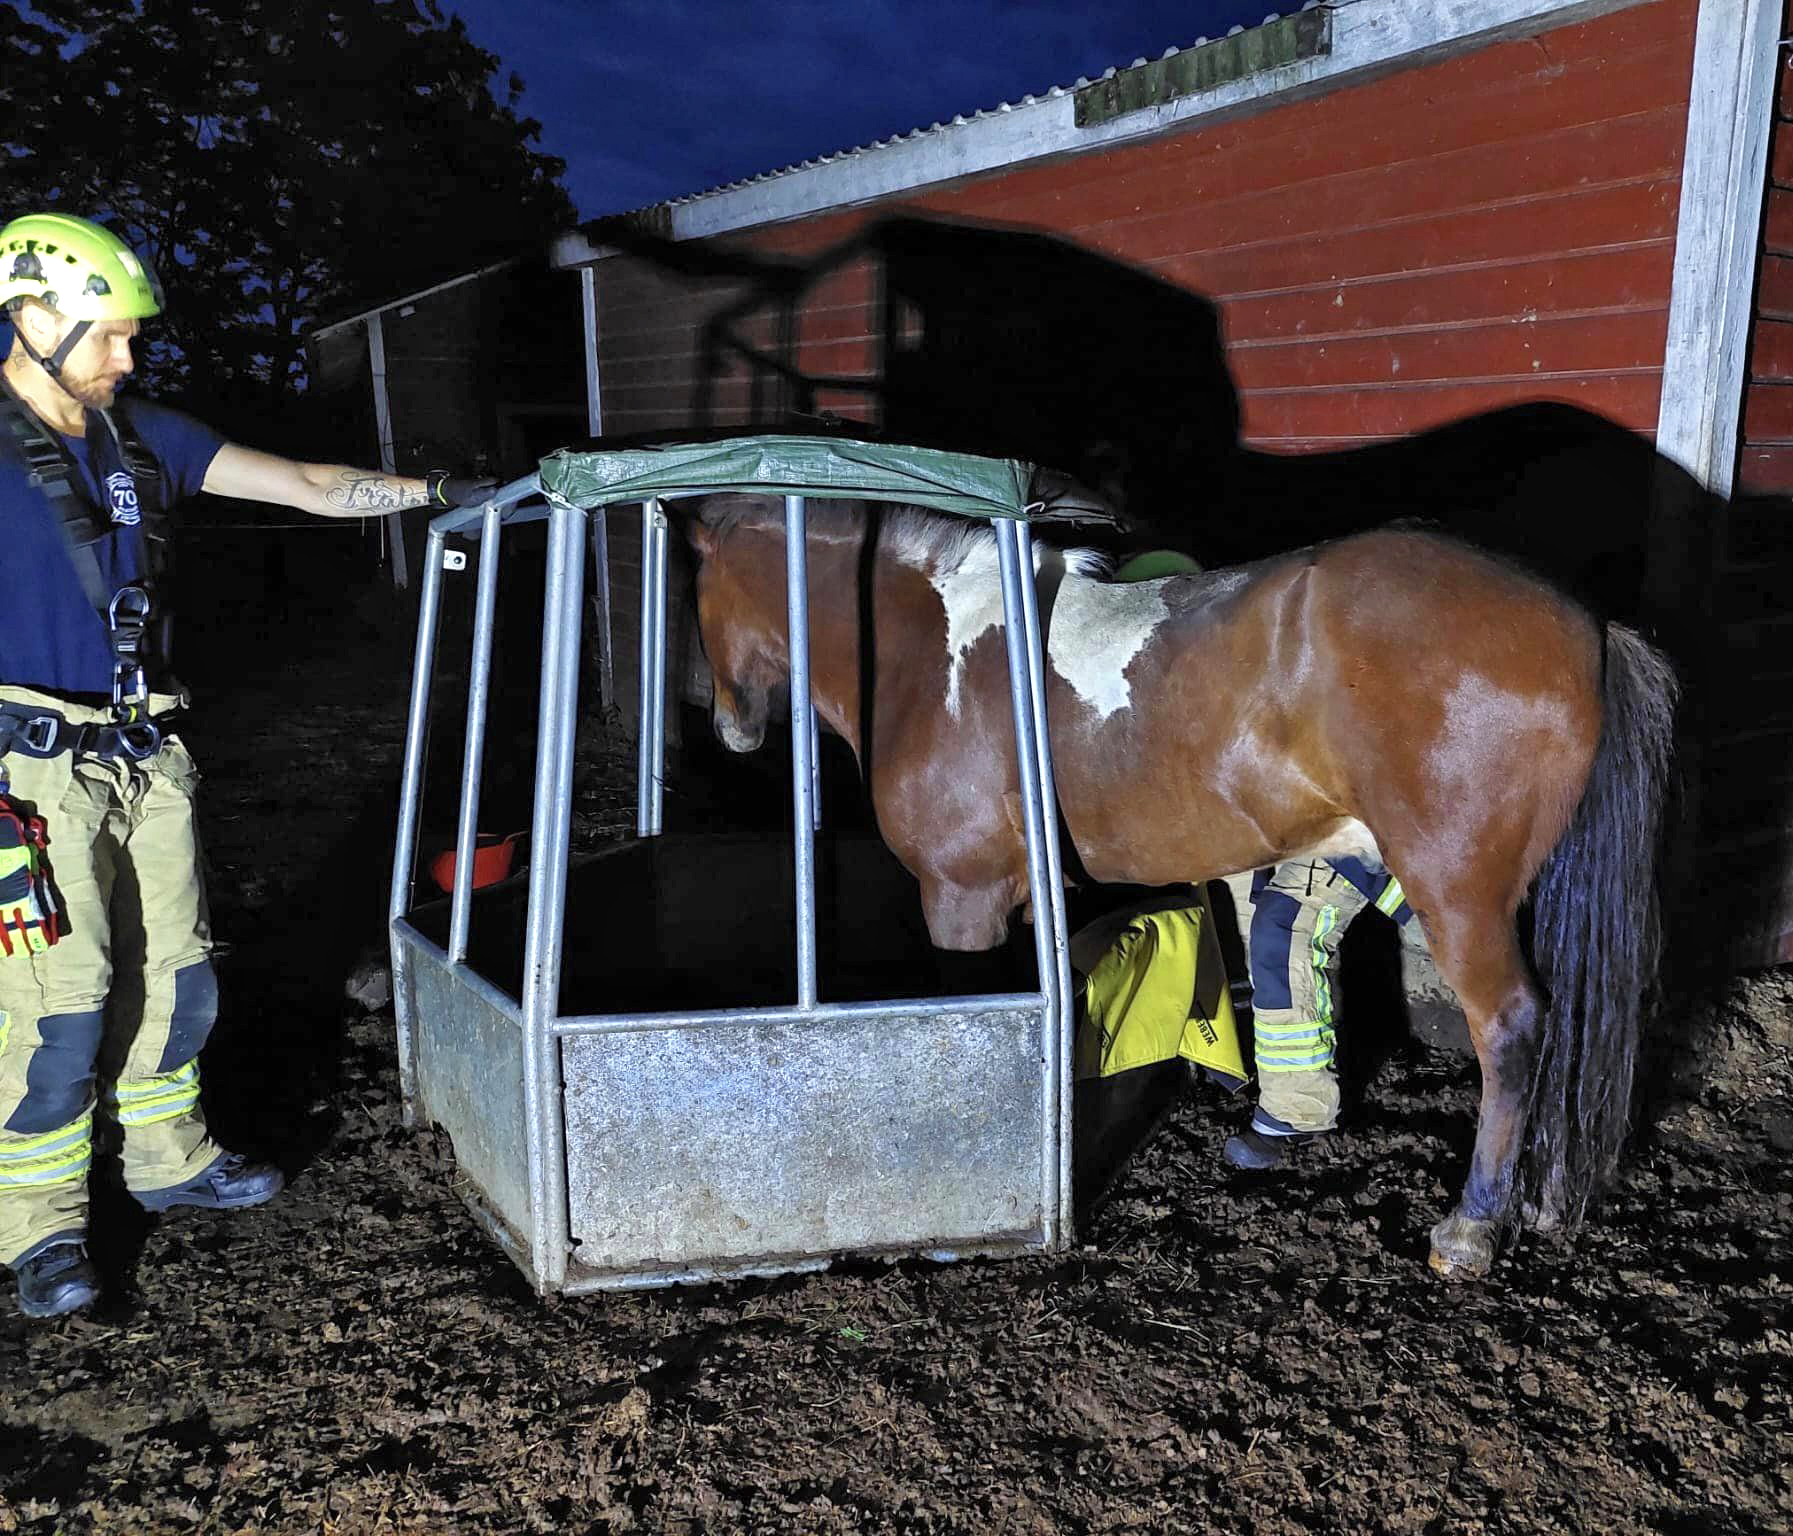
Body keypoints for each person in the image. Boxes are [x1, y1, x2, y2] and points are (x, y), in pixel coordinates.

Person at [0, 211, 495, 1319]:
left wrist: (434, 494)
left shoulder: (144, 439)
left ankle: (169, 1159)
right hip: (21, 781)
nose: (129, 358)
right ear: (31, 319)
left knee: (175, 973)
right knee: (58, 1002)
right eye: (108, 335)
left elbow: (310, 484)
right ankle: (37, 1227)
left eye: (133, 338)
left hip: (145, 753)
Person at [1223, 855, 1416, 1170]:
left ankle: (1298, 1106)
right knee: (1259, 908)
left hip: (1364, 829)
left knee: (1284, 926)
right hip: (1324, 823)